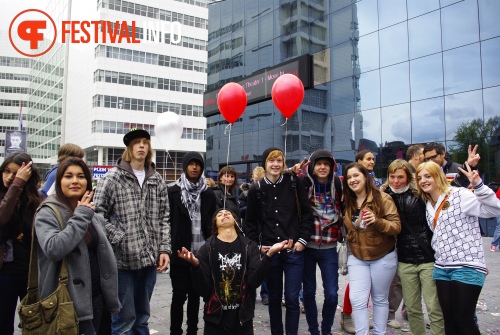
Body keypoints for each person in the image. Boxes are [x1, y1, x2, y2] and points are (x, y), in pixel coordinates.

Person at [93, 128, 171, 335]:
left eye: (145, 142)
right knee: (123, 320)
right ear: (129, 147)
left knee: (142, 318)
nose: (142, 146)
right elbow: (97, 214)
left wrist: (164, 249)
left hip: (149, 259)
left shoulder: (157, 179)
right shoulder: (113, 178)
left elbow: (164, 217)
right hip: (122, 261)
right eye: (137, 142)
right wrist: (118, 236)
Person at [35, 158, 120, 335]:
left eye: (81, 176)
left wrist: (110, 298)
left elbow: (102, 257)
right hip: (68, 303)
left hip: (97, 299)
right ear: (59, 182)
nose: (75, 181)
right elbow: (53, 248)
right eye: (68, 176)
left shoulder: (91, 212)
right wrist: (81, 216)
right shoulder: (48, 212)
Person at [416, 161, 500, 335]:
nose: (423, 180)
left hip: (466, 266)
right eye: (419, 178)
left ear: (438, 176)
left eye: (427, 176)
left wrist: (479, 186)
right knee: (450, 319)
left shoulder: (460, 194)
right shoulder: (429, 204)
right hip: (442, 268)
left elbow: (493, 210)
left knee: (464, 319)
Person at [178, 209, 293, 334]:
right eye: (219, 214)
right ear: (215, 223)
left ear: (235, 220)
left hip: (243, 320)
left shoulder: (250, 246)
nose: (225, 214)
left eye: (228, 213)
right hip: (215, 320)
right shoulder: (206, 249)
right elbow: (204, 290)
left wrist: (269, 255)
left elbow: (254, 282)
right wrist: (195, 266)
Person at [245, 147, 314, 335]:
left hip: (293, 251)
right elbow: (249, 224)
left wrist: (302, 240)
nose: (275, 164)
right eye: (271, 160)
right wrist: (258, 247)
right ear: (264, 164)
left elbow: (307, 215)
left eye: (279, 160)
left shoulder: (294, 183)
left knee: (292, 299)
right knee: (274, 298)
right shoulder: (256, 189)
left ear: (283, 163)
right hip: (271, 253)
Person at [382, 160, 444, 335]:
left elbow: (444, 194)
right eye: (392, 177)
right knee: (412, 308)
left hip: (427, 257)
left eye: (400, 177)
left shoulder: (420, 194)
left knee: (433, 307)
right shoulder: (383, 195)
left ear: (408, 177)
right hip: (404, 259)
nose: (395, 181)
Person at [342, 162, 401, 335]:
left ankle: (379, 333)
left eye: (356, 176)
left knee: (380, 299)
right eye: (349, 177)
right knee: (357, 299)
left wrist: (377, 221)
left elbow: (396, 227)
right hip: (357, 256)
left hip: (382, 256)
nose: (352, 180)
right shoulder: (349, 201)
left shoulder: (382, 198)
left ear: (365, 177)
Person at [168, 151, 216, 335]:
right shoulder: (173, 191)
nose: (194, 167)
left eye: (198, 164)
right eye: (191, 164)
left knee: (196, 295)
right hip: (180, 251)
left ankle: (192, 331)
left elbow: (211, 223)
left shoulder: (208, 193)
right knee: (179, 295)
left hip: (201, 252)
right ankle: (175, 331)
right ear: (185, 166)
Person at [299, 149, 343, 335]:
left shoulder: (339, 185)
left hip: (329, 248)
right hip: (307, 247)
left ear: (332, 167)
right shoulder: (304, 184)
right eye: (319, 164)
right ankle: (314, 330)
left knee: (332, 294)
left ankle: (326, 329)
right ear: (313, 167)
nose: (323, 167)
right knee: (308, 293)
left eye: (327, 164)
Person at [0, 153, 41, 335]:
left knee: (34, 325)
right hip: (5, 272)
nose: (10, 177)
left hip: (30, 273)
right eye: (6, 171)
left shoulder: (35, 200)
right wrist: (17, 185)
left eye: (16, 173)